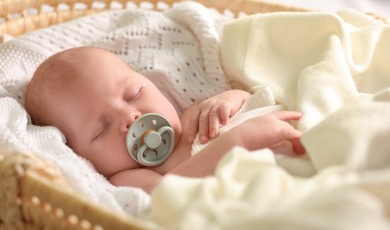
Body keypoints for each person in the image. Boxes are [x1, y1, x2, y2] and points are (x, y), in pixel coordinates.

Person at [25, 46, 305, 193]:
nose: (130, 116)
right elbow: (166, 195)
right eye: (102, 129)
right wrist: (237, 140)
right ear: (80, 156)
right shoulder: (128, 178)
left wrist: (227, 100)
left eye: (134, 94)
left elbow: (249, 99)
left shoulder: (192, 114)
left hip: (298, 145)